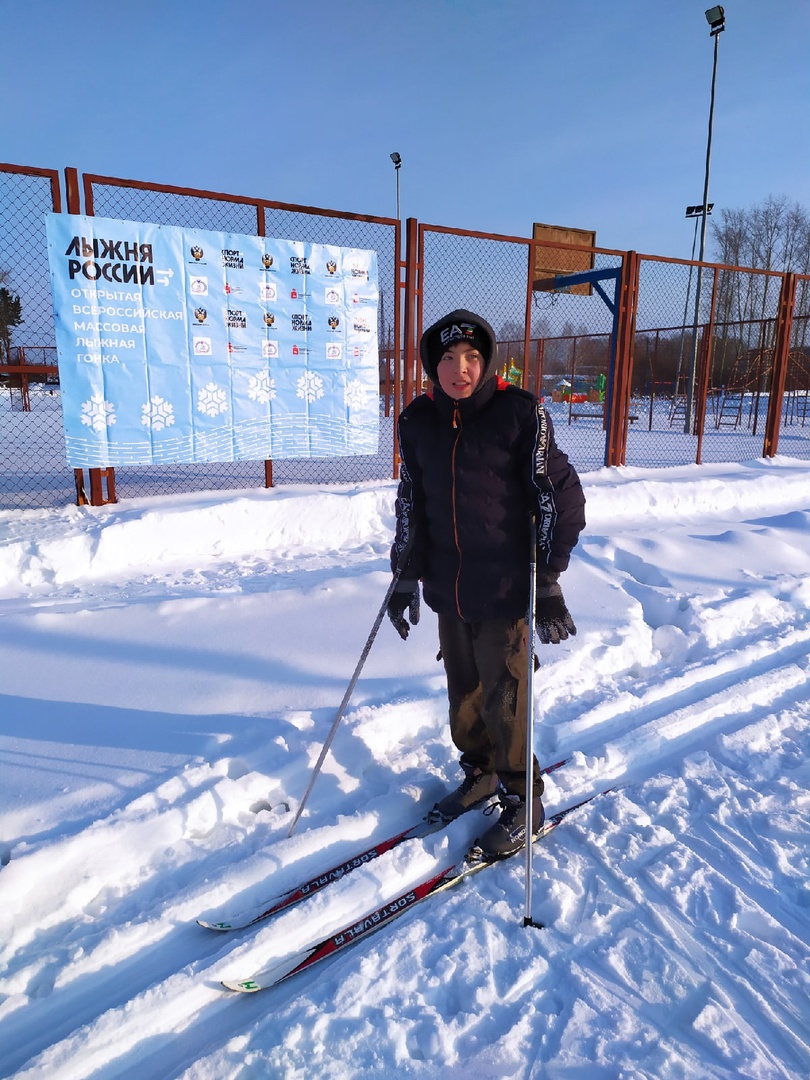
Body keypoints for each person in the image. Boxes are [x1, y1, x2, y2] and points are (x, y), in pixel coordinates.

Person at [387, 309, 586, 859]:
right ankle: (479, 772)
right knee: (464, 692)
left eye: (472, 357)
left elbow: (559, 497)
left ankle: (526, 799)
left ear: (487, 360)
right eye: (448, 358)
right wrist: (403, 575)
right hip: (449, 588)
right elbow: (412, 503)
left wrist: (547, 580)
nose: (460, 368)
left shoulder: (518, 414)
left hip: (502, 590)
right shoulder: (419, 421)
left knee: (506, 697)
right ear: (433, 364)